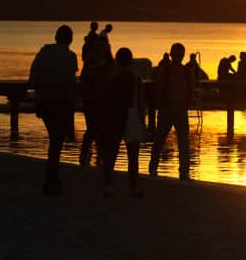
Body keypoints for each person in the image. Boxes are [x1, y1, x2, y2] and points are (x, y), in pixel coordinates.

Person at [30, 25, 78, 195]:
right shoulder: (70, 57)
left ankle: (52, 179)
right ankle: (51, 180)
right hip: (61, 103)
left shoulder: (44, 52)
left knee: (54, 139)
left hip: (45, 101)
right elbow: (70, 83)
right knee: (57, 141)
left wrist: (39, 93)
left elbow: (33, 75)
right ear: (70, 39)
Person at [100, 47, 144, 197]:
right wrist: (143, 122)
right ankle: (133, 186)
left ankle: (108, 185)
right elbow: (140, 103)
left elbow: (105, 100)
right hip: (131, 118)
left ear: (117, 61)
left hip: (113, 117)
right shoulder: (136, 79)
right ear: (130, 60)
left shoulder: (111, 78)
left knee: (111, 154)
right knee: (133, 156)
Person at [149, 43, 193, 180]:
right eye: (178, 53)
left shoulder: (186, 71)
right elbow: (158, 89)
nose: (179, 56)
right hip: (168, 110)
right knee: (163, 140)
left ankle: (183, 170)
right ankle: (155, 167)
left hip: (176, 111)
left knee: (181, 142)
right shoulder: (167, 70)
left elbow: (190, 92)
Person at [79, 21, 114, 166]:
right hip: (95, 98)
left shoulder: (97, 60)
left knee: (94, 127)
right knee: (94, 127)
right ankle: (91, 154)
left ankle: (92, 155)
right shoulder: (96, 62)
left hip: (96, 98)